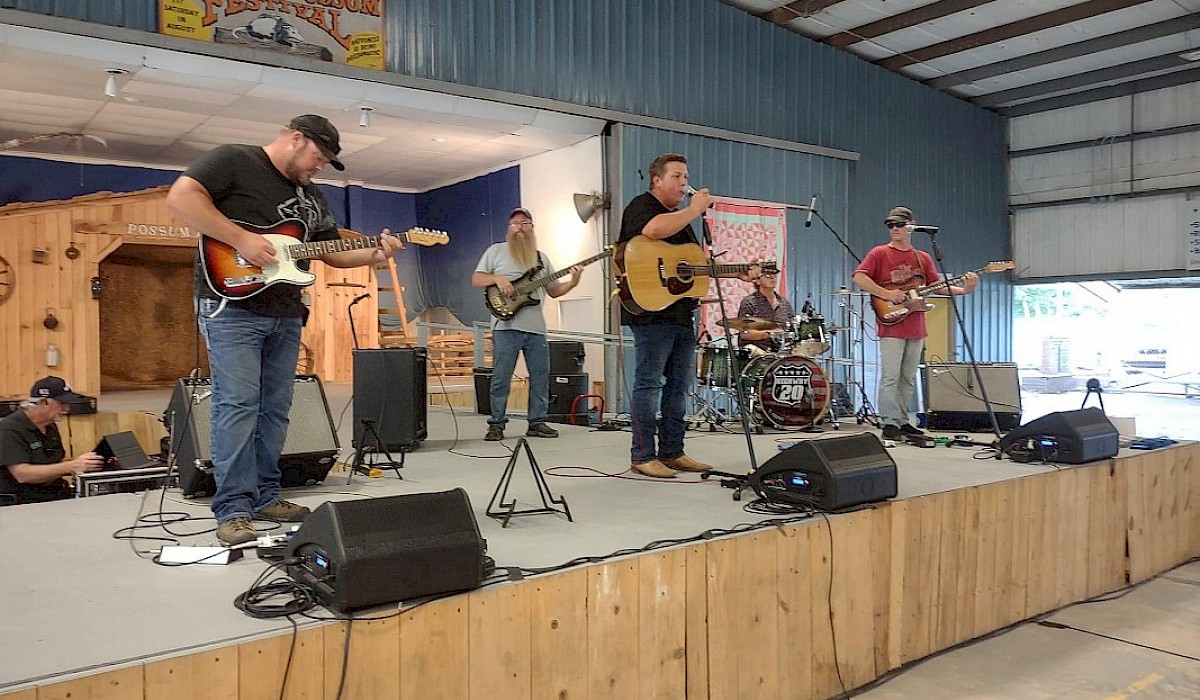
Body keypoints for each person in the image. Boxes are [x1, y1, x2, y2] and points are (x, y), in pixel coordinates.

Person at [166, 114, 403, 545]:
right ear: (296, 139)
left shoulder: (312, 198)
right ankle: (234, 507)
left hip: (286, 309)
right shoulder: (235, 160)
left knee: (275, 408)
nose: (320, 167)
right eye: (319, 156)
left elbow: (331, 253)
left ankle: (266, 495)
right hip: (231, 304)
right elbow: (182, 197)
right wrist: (239, 238)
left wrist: (375, 253)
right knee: (237, 405)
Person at [618, 153, 717, 478]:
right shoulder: (641, 205)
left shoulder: (685, 224)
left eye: (686, 176)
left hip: (680, 316)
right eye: (677, 176)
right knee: (649, 384)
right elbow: (654, 230)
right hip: (650, 313)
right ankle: (643, 455)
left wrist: (738, 273)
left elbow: (692, 266)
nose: (684, 182)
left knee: (678, 386)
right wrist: (694, 209)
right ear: (657, 180)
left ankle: (673, 451)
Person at [852, 206, 977, 440]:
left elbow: (937, 287)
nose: (894, 229)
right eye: (890, 225)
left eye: (899, 224)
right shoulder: (879, 253)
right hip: (892, 323)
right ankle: (889, 422)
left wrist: (965, 290)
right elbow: (859, 277)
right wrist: (888, 294)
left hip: (916, 323)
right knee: (891, 375)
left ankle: (901, 420)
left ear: (911, 225)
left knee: (908, 376)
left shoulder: (922, 257)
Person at [472, 207, 583, 441]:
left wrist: (573, 282)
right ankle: (496, 424)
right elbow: (477, 279)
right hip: (505, 328)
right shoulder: (496, 251)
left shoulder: (541, 258)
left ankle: (537, 422)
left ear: (532, 228)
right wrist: (497, 279)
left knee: (541, 377)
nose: (520, 227)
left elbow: (553, 291)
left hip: (535, 330)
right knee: (501, 378)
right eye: (515, 224)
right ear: (508, 228)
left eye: (525, 223)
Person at [0, 377, 104, 505]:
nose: (66, 409)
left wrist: (89, 464)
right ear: (43, 402)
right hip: (26, 501)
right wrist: (71, 466)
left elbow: (54, 462)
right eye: (62, 403)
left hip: (56, 494)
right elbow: (22, 474)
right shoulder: (9, 429)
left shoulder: (49, 425)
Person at [735, 270, 794, 355]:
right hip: (758, 350)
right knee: (751, 350)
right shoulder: (749, 302)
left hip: (782, 350)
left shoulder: (784, 303)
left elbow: (792, 329)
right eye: (767, 275)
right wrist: (769, 334)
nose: (772, 278)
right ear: (758, 281)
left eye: (774, 275)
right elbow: (745, 333)